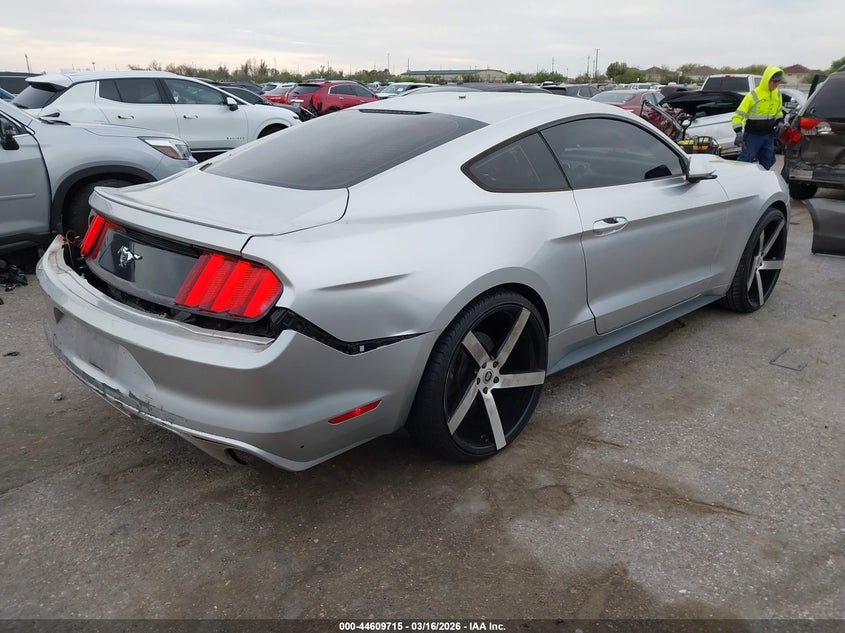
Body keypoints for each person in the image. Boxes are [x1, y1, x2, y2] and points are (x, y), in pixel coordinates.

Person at [731, 66, 786, 170]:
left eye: (778, 82)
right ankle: (739, 179)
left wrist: (780, 122)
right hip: (752, 136)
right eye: (774, 82)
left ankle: (762, 180)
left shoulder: (778, 94)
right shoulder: (753, 96)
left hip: (768, 135)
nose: (776, 85)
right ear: (767, 80)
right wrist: (738, 132)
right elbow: (738, 115)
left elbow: (778, 111)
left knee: (768, 160)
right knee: (745, 161)